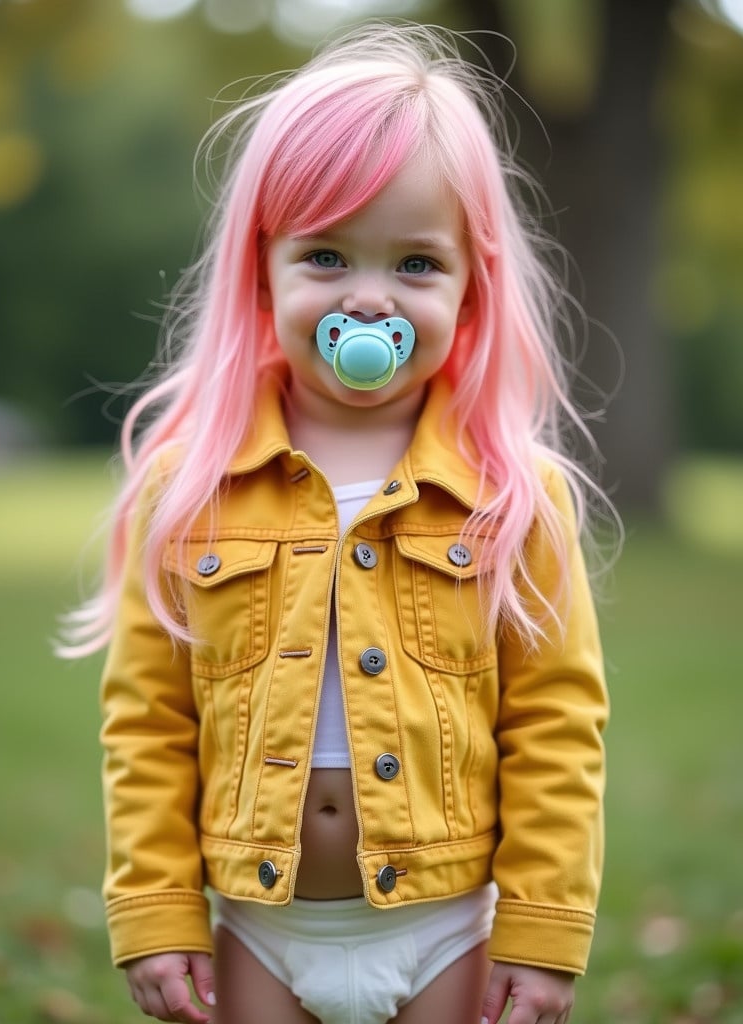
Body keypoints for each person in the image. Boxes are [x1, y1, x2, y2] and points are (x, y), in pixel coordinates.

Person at [60, 20, 617, 1024]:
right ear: (260, 270)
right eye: (326, 256)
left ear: (471, 284)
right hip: (258, 929)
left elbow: (557, 724)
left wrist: (542, 928)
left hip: (447, 923)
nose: (367, 301)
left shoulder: (512, 495)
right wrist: (157, 910)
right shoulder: (190, 487)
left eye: (414, 264)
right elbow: (148, 721)